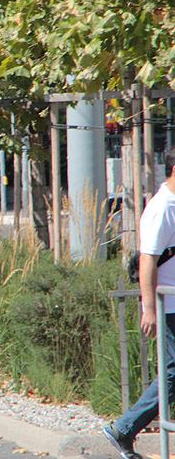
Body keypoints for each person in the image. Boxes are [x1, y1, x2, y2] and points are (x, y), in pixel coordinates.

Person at [104, 148, 175, 459]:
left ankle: (125, 428)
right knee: (173, 372)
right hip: (169, 303)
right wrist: (149, 308)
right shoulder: (163, 207)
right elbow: (148, 259)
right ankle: (125, 427)